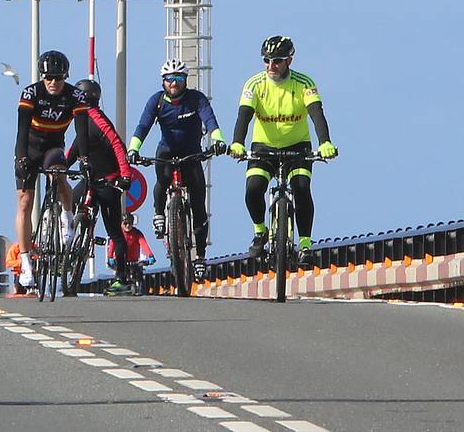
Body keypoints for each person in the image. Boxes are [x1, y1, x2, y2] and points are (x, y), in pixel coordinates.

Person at [230, 35, 338, 269]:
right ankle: (260, 231)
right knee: (253, 189)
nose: (271, 66)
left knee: (301, 188)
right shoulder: (254, 85)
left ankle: (306, 245)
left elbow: (317, 114)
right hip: (263, 147)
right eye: (266, 61)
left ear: (289, 60)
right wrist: (237, 142)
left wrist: (325, 143)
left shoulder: (304, 83)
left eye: (277, 61)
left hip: (297, 147)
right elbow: (244, 117)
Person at [127, 59, 226, 282]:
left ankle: (200, 258)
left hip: (192, 153)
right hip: (167, 151)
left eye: (178, 78)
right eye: (169, 79)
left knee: (199, 204)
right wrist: (133, 148)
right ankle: (159, 213)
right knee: (161, 179)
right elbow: (143, 126)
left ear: (185, 80)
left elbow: (209, 120)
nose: (174, 83)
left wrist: (218, 139)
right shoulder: (156, 101)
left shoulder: (196, 98)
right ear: (163, 81)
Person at [14, 50, 91, 290]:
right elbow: (21, 130)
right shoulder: (31, 93)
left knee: (59, 176)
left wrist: (85, 159)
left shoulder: (75, 96)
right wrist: (21, 158)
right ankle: (26, 263)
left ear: (66, 77)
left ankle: (67, 216)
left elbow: (82, 131)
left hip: (53, 147)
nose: (53, 83)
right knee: (25, 202)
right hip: (30, 148)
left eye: (58, 78)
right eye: (48, 78)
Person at [65, 78, 139, 295]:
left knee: (115, 232)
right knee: (67, 201)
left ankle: (122, 279)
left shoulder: (97, 118)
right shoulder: (80, 118)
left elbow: (117, 144)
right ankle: (69, 248)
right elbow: (77, 146)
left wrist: (125, 175)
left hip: (108, 180)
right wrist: (62, 168)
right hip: (90, 180)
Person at [106, 213, 156, 292]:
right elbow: (112, 245)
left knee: (139, 274)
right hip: (121, 262)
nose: (128, 225)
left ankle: (140, 288)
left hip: (134, 262)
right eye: (125, 223)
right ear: (121, 223)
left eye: (130, 223)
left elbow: (144, 244)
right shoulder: (117, 233)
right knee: (120, 277)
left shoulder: (137, 233)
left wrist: (150, 255)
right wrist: (110, 257)